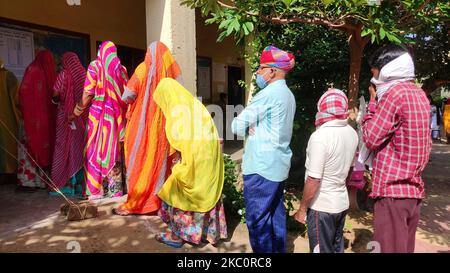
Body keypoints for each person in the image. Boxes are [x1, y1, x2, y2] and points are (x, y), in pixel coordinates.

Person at [363, 44, 432, 253]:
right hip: (412, 192)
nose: (374, 80)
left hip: (391, 193)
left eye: (375, 73)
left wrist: (373, 102)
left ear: (387, 70)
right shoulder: (419, 94)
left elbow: (370, 137)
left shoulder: (394, 94)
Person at [231, 45, 296, 253]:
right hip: (278, 166)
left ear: (272, 71)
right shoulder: (288, 95)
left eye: (261, 68)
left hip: (261, 168)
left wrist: (252, 127)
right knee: (275, 216)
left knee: (257, 221)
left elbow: (236, 126)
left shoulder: (266, 95)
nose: (258, 72)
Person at [152, 78, 227, 248]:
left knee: (175, 190)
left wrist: (178, 164)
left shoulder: (176, 115)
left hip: (195, 162)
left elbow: (180, 144)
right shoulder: (196, 106)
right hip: (210, 160)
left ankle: (176, 236)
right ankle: (209, 234)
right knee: (205, 192)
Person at [113, 41, 182, 215]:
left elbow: (128, 95)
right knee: (159, 162)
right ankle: (158, 202)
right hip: (163, 126)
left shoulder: (142, 69)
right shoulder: (170, 71)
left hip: (140, 127)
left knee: (139, 160)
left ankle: (138, 202)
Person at [293, 89, 358, 253]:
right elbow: (349, 170)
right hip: (341, 204)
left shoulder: (320, 136)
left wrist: (302, 210)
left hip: (321, 207)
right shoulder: (352, 133)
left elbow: (314, 179)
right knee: (336, 249)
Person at [69, 41, 128, 200]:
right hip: (116, 117)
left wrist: (76, 112)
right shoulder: (121, 69)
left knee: (95, 151)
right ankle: (114, 190)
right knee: (113, 150)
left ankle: (96, 191)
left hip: (98, 115)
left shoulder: (95, 66)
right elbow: (126, 94)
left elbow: (88, 93)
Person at [17, 49, 57, 190]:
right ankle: (43, 182)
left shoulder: (32, 70)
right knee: (46, 148)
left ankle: (28, 182)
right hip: (47, 122)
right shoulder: (51, 72)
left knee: (28, 148)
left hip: (31, 121)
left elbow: (23, 92)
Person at [49, 52, 87, 197]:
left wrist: (55, 102)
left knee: (62, 148)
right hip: (80, 117)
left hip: (65, 117)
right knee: (77, 148)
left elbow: (55, 94)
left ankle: (64, 184)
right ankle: (78, 185)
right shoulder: (83, 74)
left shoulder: (64, 74)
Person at [0, 59, 20, 178]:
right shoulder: (8, 76)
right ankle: (9, 173)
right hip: (7, 119)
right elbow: (17, 99)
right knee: (8, 145)